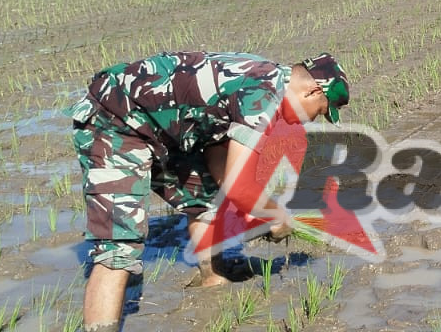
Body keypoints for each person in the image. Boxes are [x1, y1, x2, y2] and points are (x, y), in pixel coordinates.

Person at [74, 52, 351, 332]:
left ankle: (213, 278)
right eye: (319, 110)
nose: (313, 119)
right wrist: (276, 215)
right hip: (115, 119)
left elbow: (218, 158)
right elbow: (239, 186)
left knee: (205, 197)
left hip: (161, 127)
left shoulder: (265, 78)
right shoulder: (265, 97)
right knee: (118, 249)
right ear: (312, 90)